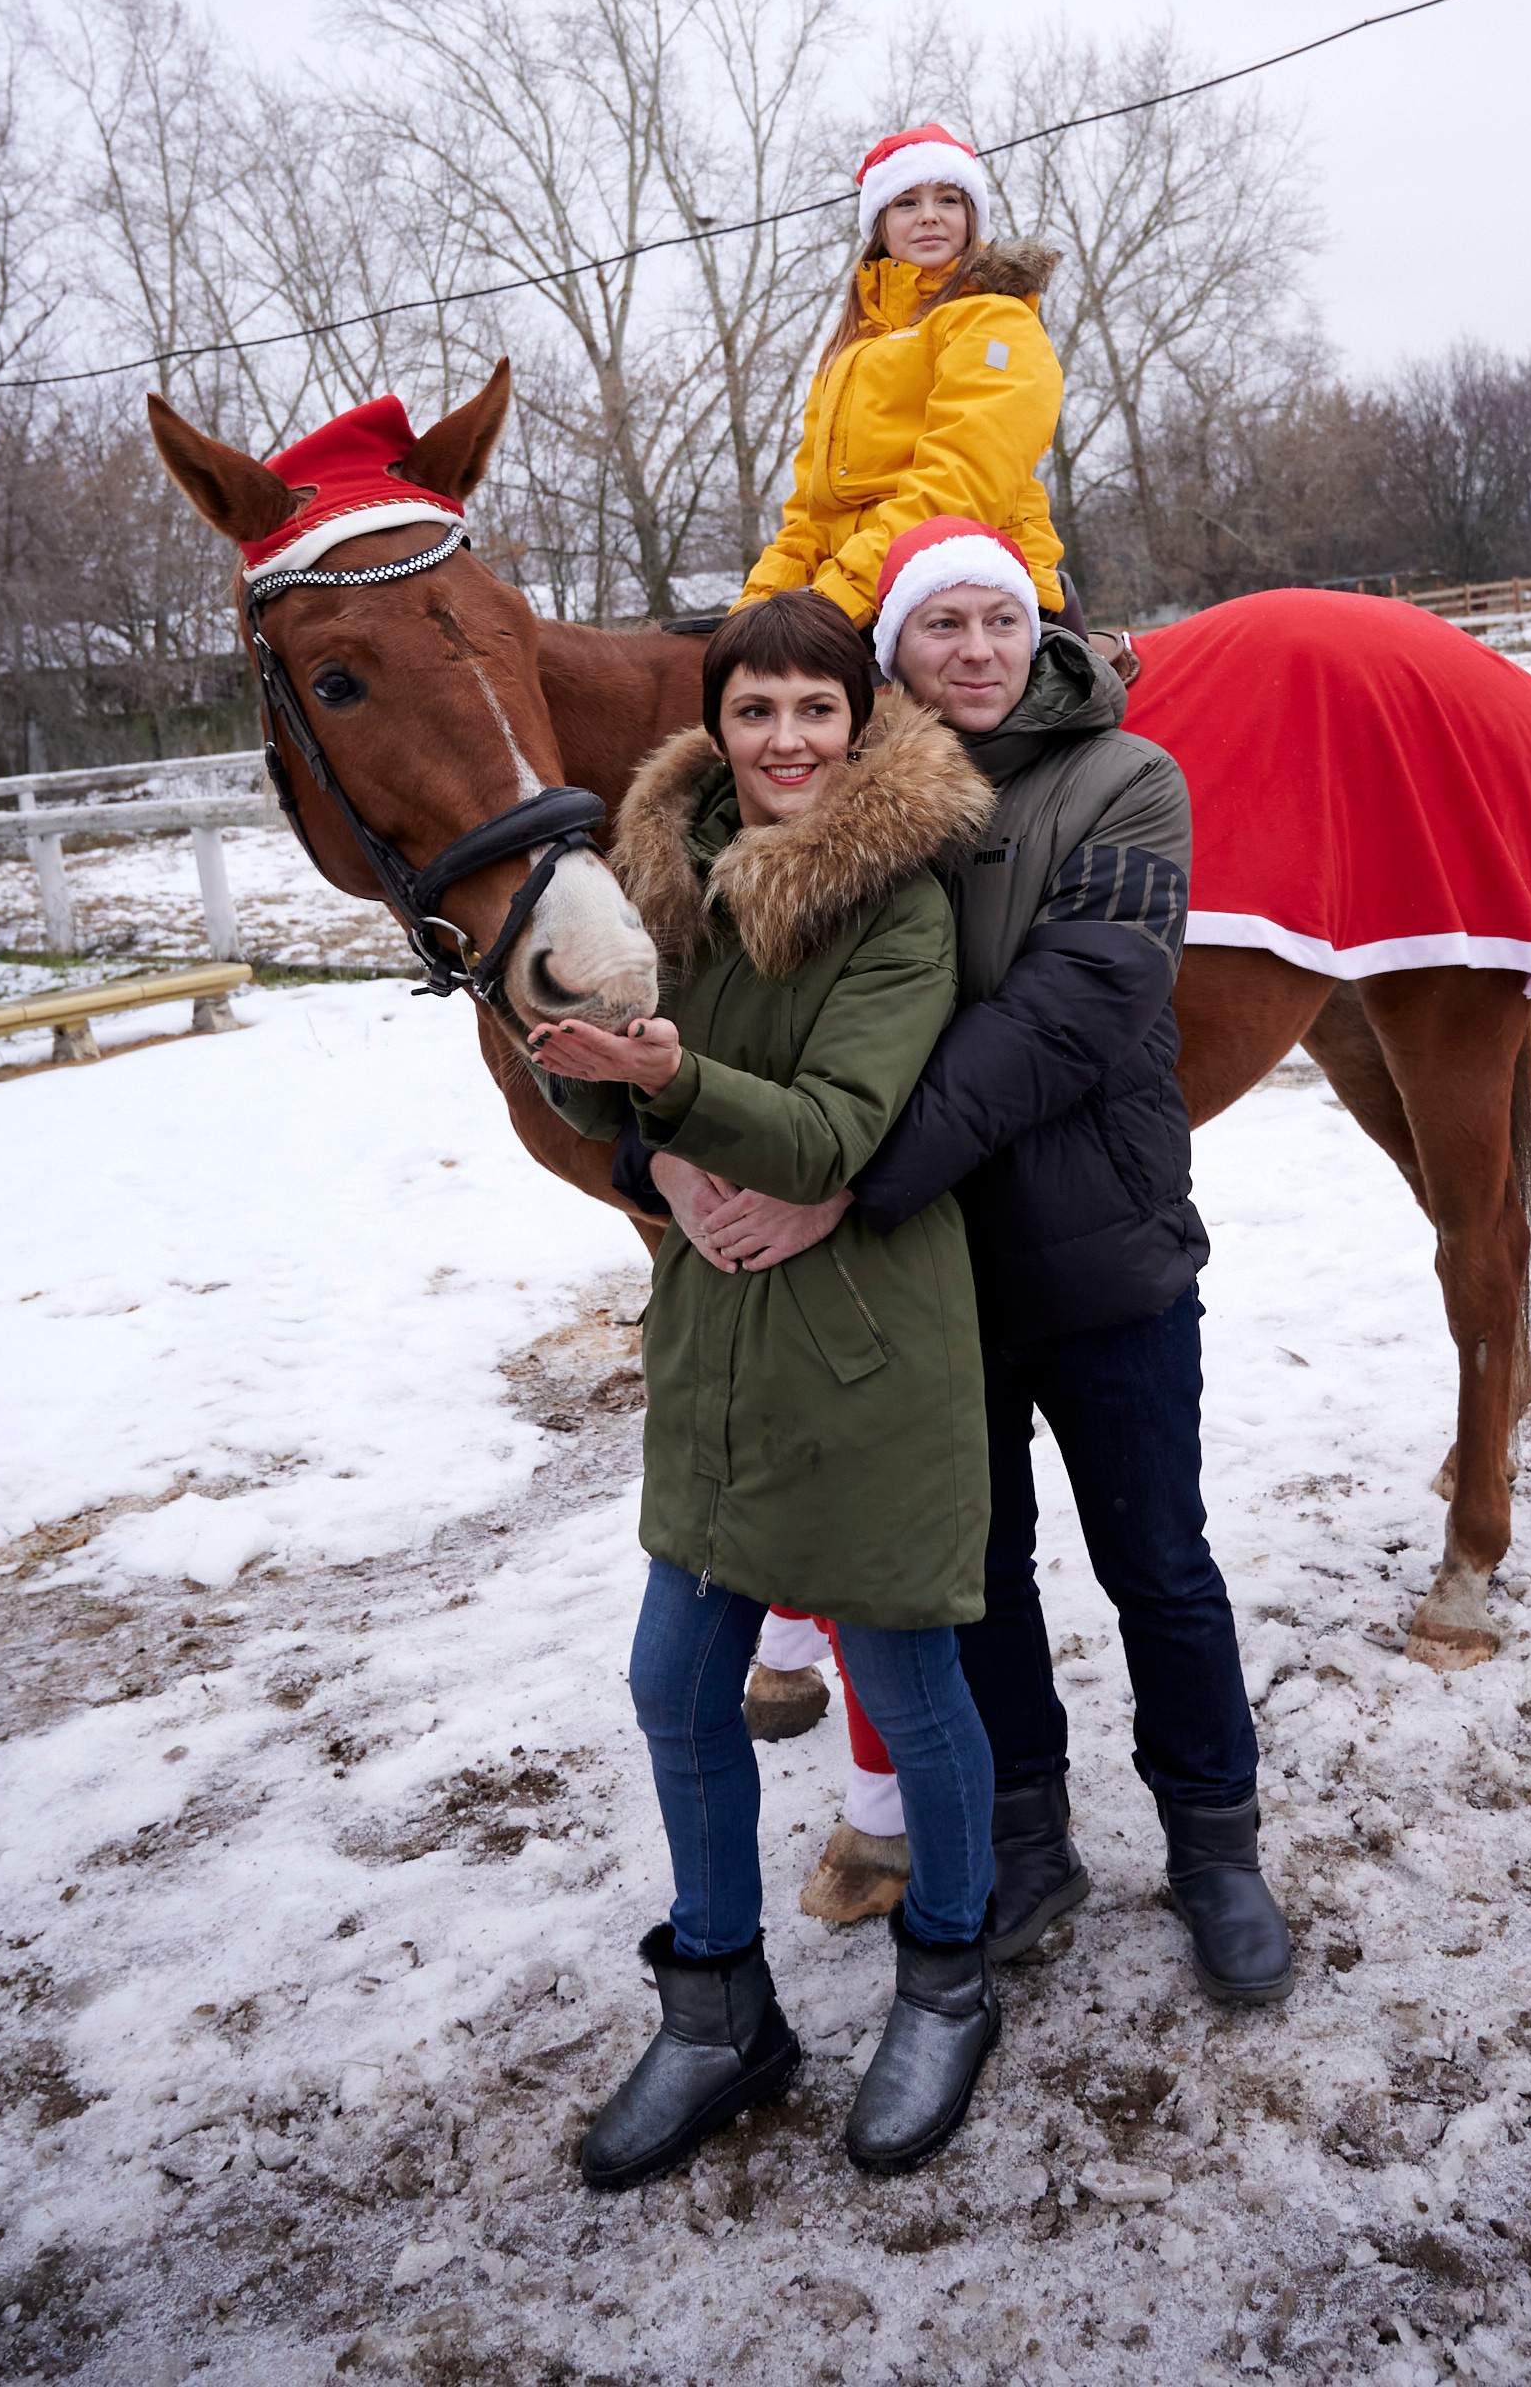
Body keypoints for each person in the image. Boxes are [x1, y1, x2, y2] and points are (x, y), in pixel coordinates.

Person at [649, 521, 1294, 2010]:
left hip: (1096, 1257)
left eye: (997, 623)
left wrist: (842, 1180)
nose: (975, 652)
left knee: (1158, 1567)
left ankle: (1213, 1845)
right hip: (926, 1284)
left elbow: (1074, 1011)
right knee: (973, 1584)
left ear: (1035, 632)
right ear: (895, 662)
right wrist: (673, 1148)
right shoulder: (850, 804)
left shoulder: (1124, 783)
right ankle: (1028, 1838)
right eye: (938, 627)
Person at [526, 588, 1004, 2186]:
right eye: (754, 712)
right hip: (716, 1340)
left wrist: (671, 1087)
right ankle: (720, 2006)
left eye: (816, 709)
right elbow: (592, 1083)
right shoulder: (650, 881)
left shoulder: (900, 900)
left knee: (913, 1687)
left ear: (857, 722)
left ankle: (946, 1977)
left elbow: (826, 1132)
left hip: (866, 1340)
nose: (786, 739)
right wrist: (631, 1126)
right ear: (712, 729)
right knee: (675, 1684)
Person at [734, 121, 1068, 631]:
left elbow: (963, 485)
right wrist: (753, 612)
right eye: (906, 202)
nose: (929, 215)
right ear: (880, 224)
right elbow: (810, 513)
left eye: (949, 199)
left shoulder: (993, 320)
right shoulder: (849, 348)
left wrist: (838, 597)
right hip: (859, 590)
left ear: (971, 216)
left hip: (970, 584)